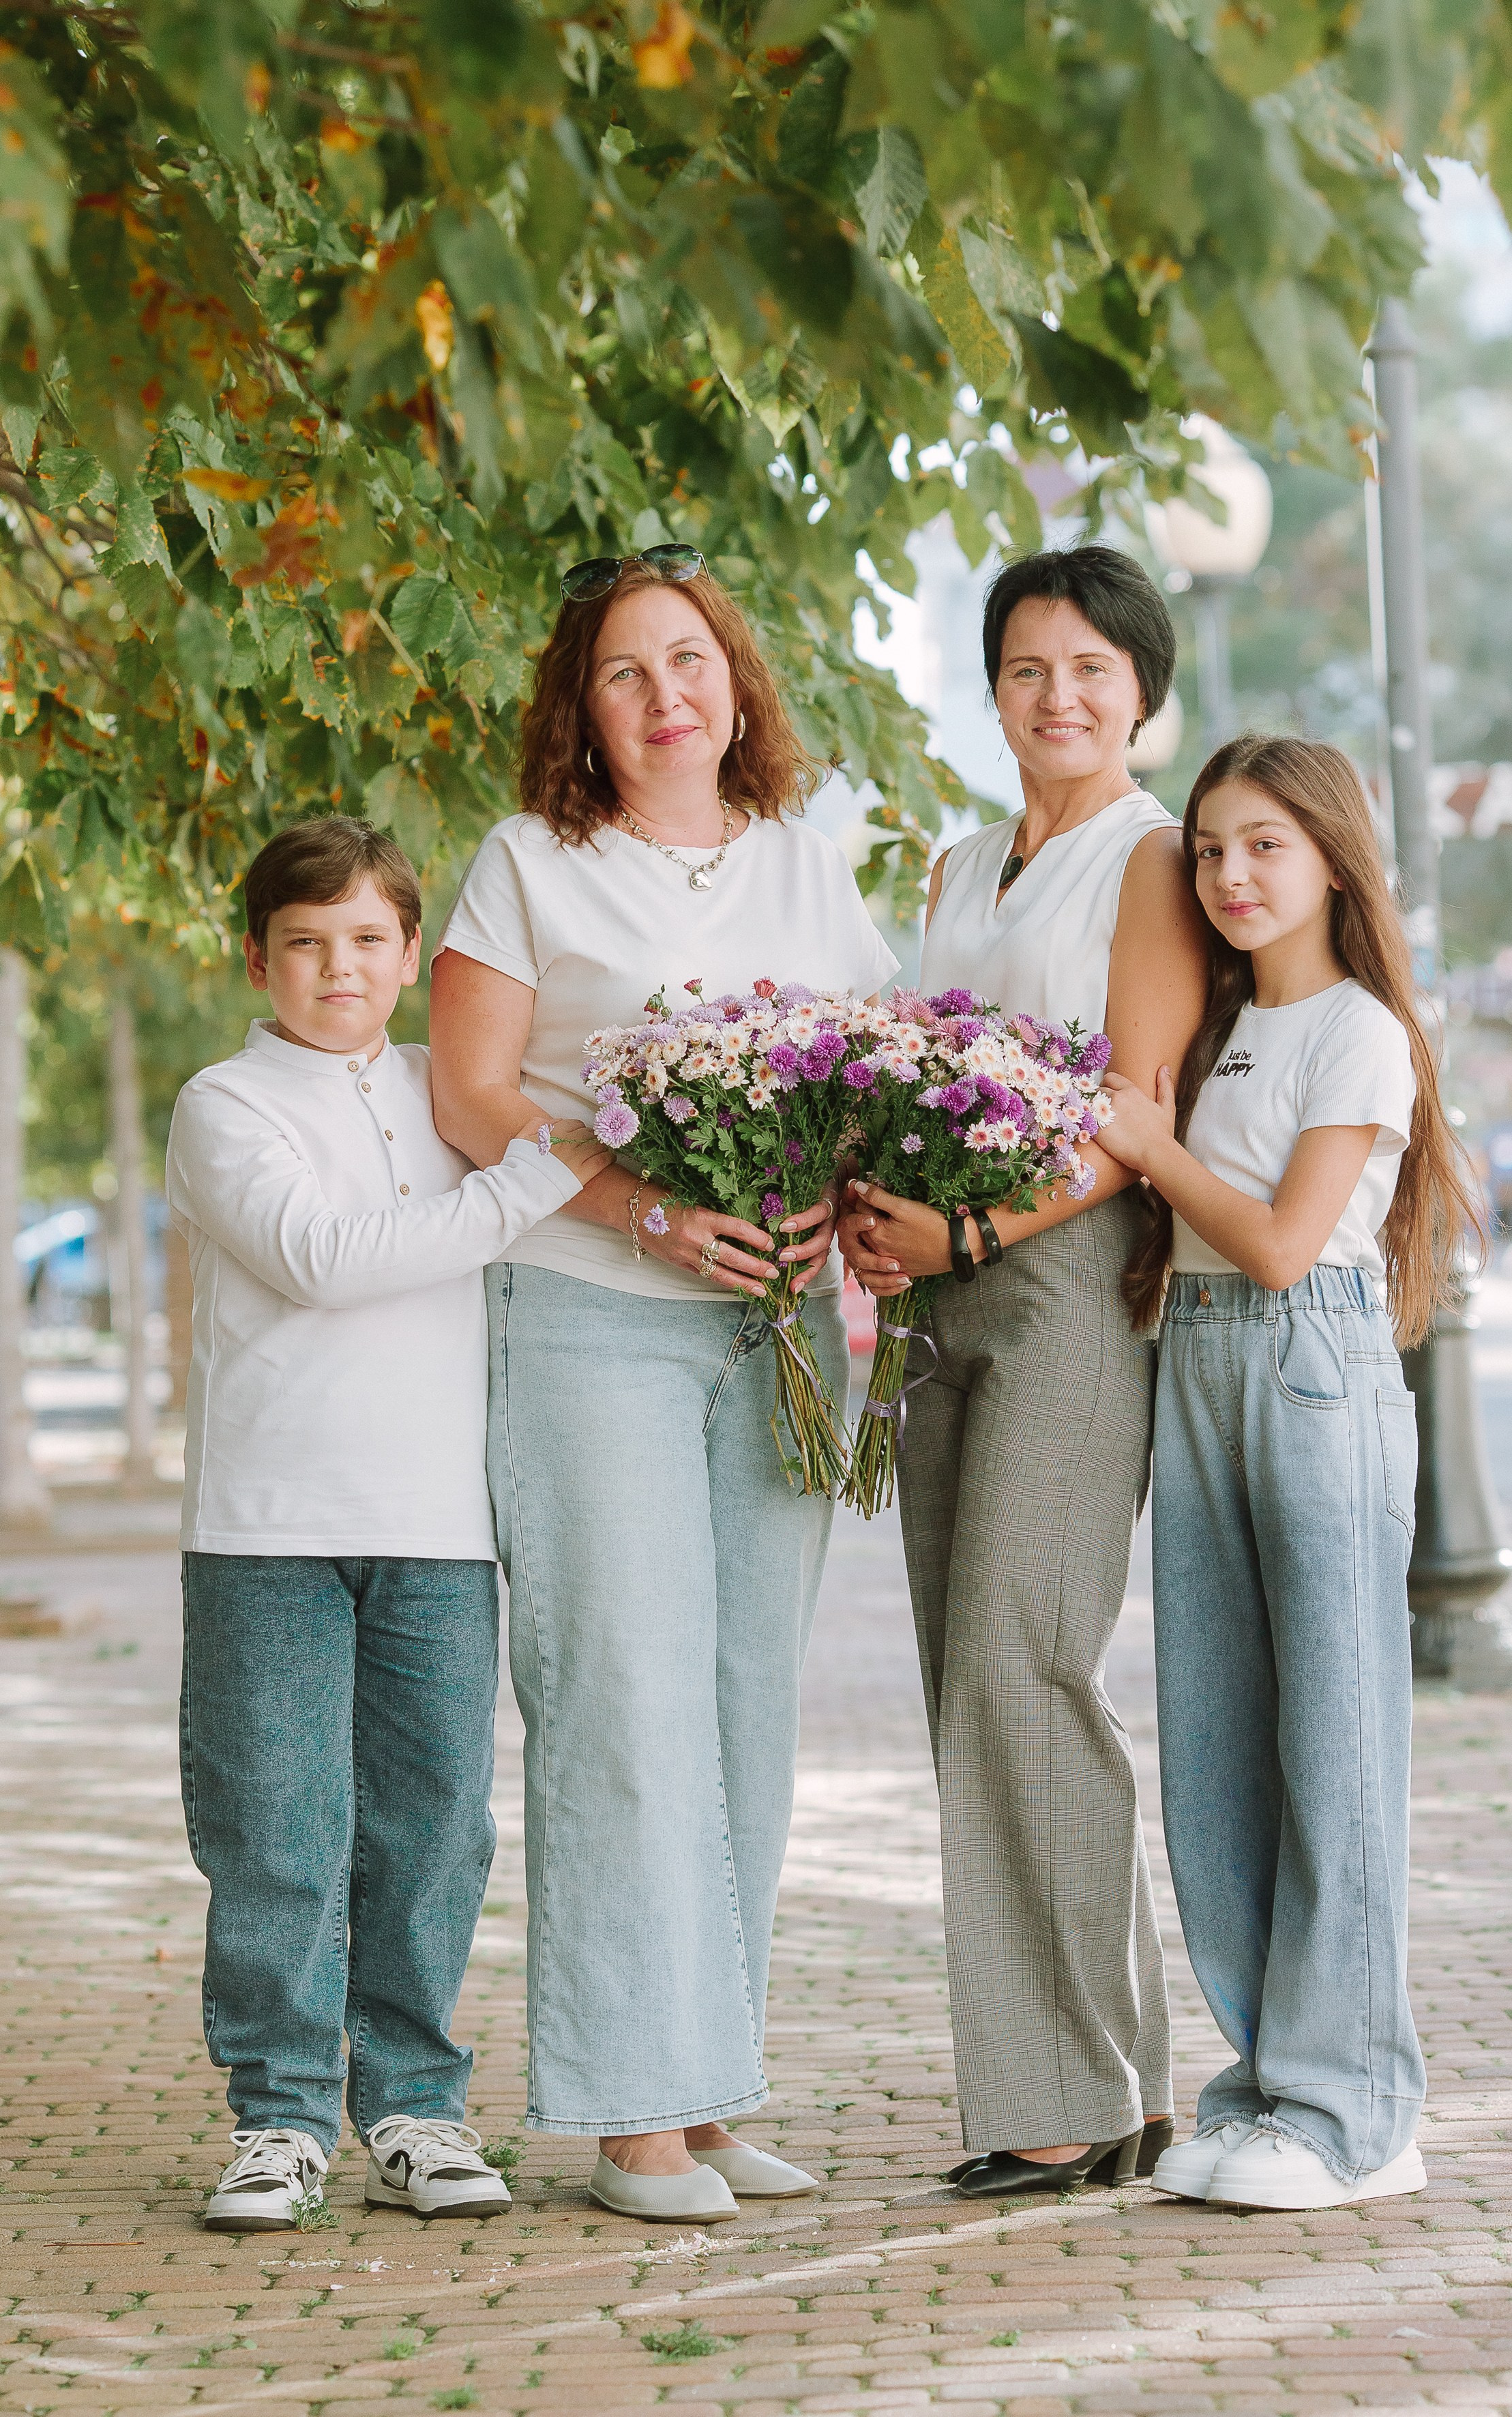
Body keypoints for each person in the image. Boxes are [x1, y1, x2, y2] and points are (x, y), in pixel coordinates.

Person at [428, 546, 899, 2223]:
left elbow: (866, 1066)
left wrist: (848, 1204)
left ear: (734, 681)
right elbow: (474, 1091)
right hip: (587, 1313)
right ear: (585, 706)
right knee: (619, 1696)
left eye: (688, 658)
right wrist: (643, 1206)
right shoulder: (527, 863)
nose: (664, 693)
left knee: (741, 1698)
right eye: (624, 671)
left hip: (771, 1329)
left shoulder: (800, 856)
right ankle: (630, 2109)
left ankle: (710, 2092)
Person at [166, 817, 609, 2232]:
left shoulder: (449, 1091)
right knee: (277, 1834)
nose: (336, 967)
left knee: (430, 1831)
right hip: (267, 1522)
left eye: (366, 939)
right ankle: (280, 2119)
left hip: (438, 1519)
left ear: (411, 954)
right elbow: (321, 1259)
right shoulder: (224, 1102)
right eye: (304, 942)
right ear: (259, 955)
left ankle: (413, 2104)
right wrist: (543, 1173)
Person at [840, 545, 1209, 2197]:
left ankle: (1066, 2095)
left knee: (1021, 1661)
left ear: (1142, 686)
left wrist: (966, 1235)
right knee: (967, 1681)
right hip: (937, 1288)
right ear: (988, 689)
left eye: (1089, 667)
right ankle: (1107, 2078)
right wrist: (876, 1212)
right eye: (1023, 668)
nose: (1057, 696)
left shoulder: (1148, 858)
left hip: (1057, 1284)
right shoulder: (953, 859)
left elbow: (1133, 1117)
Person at [1099, 736, 1475, 2211]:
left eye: (1260, 843)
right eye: (1205, 849)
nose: (1228, 874)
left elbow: (1275, 1237)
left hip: (1305, 1362)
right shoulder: (1215, 1030)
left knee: (1332, 1745)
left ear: (1328, 854)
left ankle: (1356, 2109)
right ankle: (1266, 2084)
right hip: (1192, 1359)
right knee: (1216, 1749)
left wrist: (1145, 1146)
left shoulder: (1360, 1028)